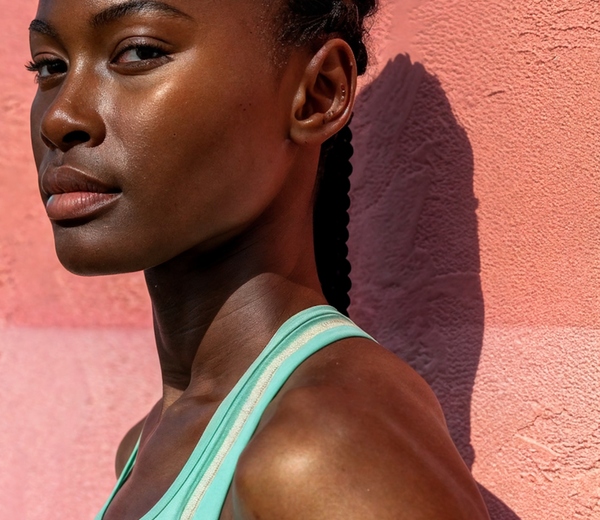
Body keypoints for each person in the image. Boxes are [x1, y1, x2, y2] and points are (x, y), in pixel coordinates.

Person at [27, 0, 491, 517]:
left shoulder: (325, 452)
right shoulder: (151, 443)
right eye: (49, 66)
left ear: (317, 95)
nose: (60, 117)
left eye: (138, 52)